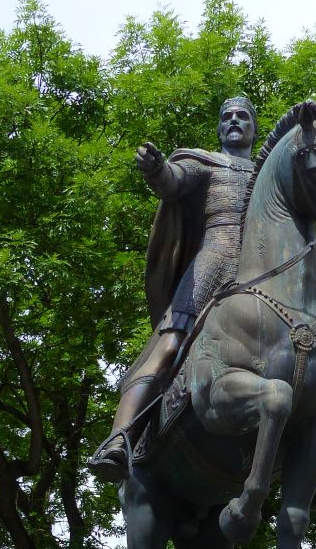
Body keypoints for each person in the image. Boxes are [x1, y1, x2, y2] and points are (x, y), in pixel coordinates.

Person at [87, 98, 258, 482]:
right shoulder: (206, 162)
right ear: (219, 129)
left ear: (253, 129)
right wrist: (157, 169)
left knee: (306, 343)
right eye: (227, 117)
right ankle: (120, 437)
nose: (234, 121)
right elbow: (173, 182)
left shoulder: (271, 173)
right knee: (169, 345)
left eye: (242, 116)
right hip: (210, 268)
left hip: (259, 275)